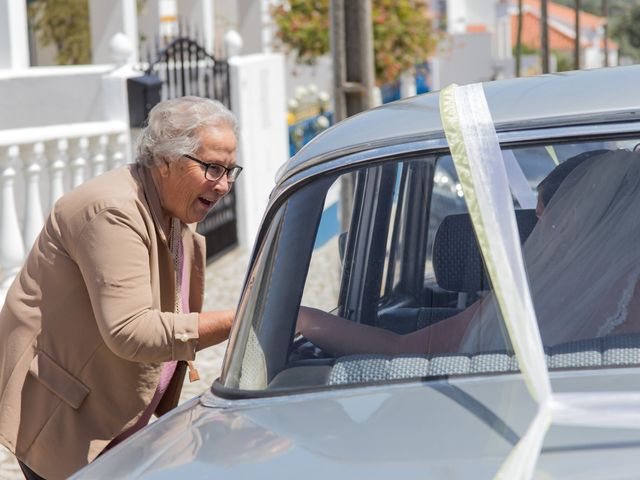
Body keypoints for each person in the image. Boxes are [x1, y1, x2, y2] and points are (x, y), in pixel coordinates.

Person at [0, 96, 241, 479]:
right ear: (165, 161)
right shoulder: (112, 211)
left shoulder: (171, 203)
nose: (225, 185)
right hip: (66, 420)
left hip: (116, 415)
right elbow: (130, 330)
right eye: (213, 168)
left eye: (230, 170)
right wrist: (243, 320)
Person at [297, 149, 640, 357]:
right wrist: (303, 317)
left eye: (541, 218)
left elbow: (402, 350)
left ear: (570, 219)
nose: (536, 234)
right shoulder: (522, 297)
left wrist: (300, 317)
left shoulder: (521, 300)